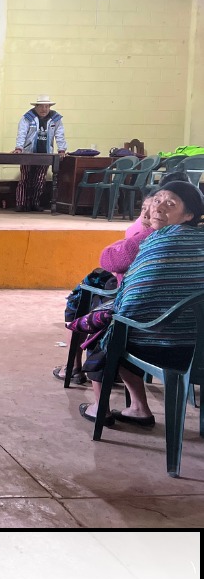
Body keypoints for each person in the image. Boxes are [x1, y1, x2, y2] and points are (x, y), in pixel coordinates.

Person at [75, 180, 204, 427]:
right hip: (199, 347)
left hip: (164, 345)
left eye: (170, 204)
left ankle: (102, 407)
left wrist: (114, 317)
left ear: (188, 215)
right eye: (157, 200)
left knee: (109, 329)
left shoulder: (156, 241)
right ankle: (137, 408)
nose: (159, 208)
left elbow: (132, 300)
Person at [53, 193, 156, 385]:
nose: (146, 215)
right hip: (149, 301)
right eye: (144, 209)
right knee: (93, 283)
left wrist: (122, 243)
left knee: (87, 299)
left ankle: (77, 367)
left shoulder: (150, 236)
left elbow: (111, 259)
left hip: (132, 298)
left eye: (154, 210)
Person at [13, 95, 67, 211]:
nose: (44, 109)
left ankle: (35, 203)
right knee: (25, 179)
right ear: (36, 107)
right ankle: (21, 203)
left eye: (46, 106)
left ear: (49, 107)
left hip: (45, 155)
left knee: (40, 180)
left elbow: (60, 134)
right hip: (28, 154)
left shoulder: (55, 118)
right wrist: (19, 148)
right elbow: (22, 133)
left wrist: (61, 150)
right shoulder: (28, 117)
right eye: (41, 106)